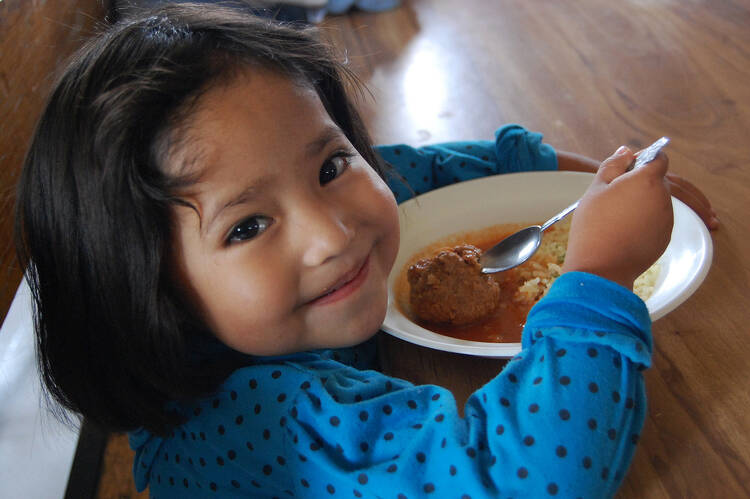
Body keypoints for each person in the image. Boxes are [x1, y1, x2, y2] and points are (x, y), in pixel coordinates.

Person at [14, 4, 716, 498]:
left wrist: (581, 176)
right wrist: (597, 274)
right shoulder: (269, 421)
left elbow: (418, 168)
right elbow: (525, 477)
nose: (333, 231)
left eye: (327, 167)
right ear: (146, 290)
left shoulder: (274, 299)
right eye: (248, 226)